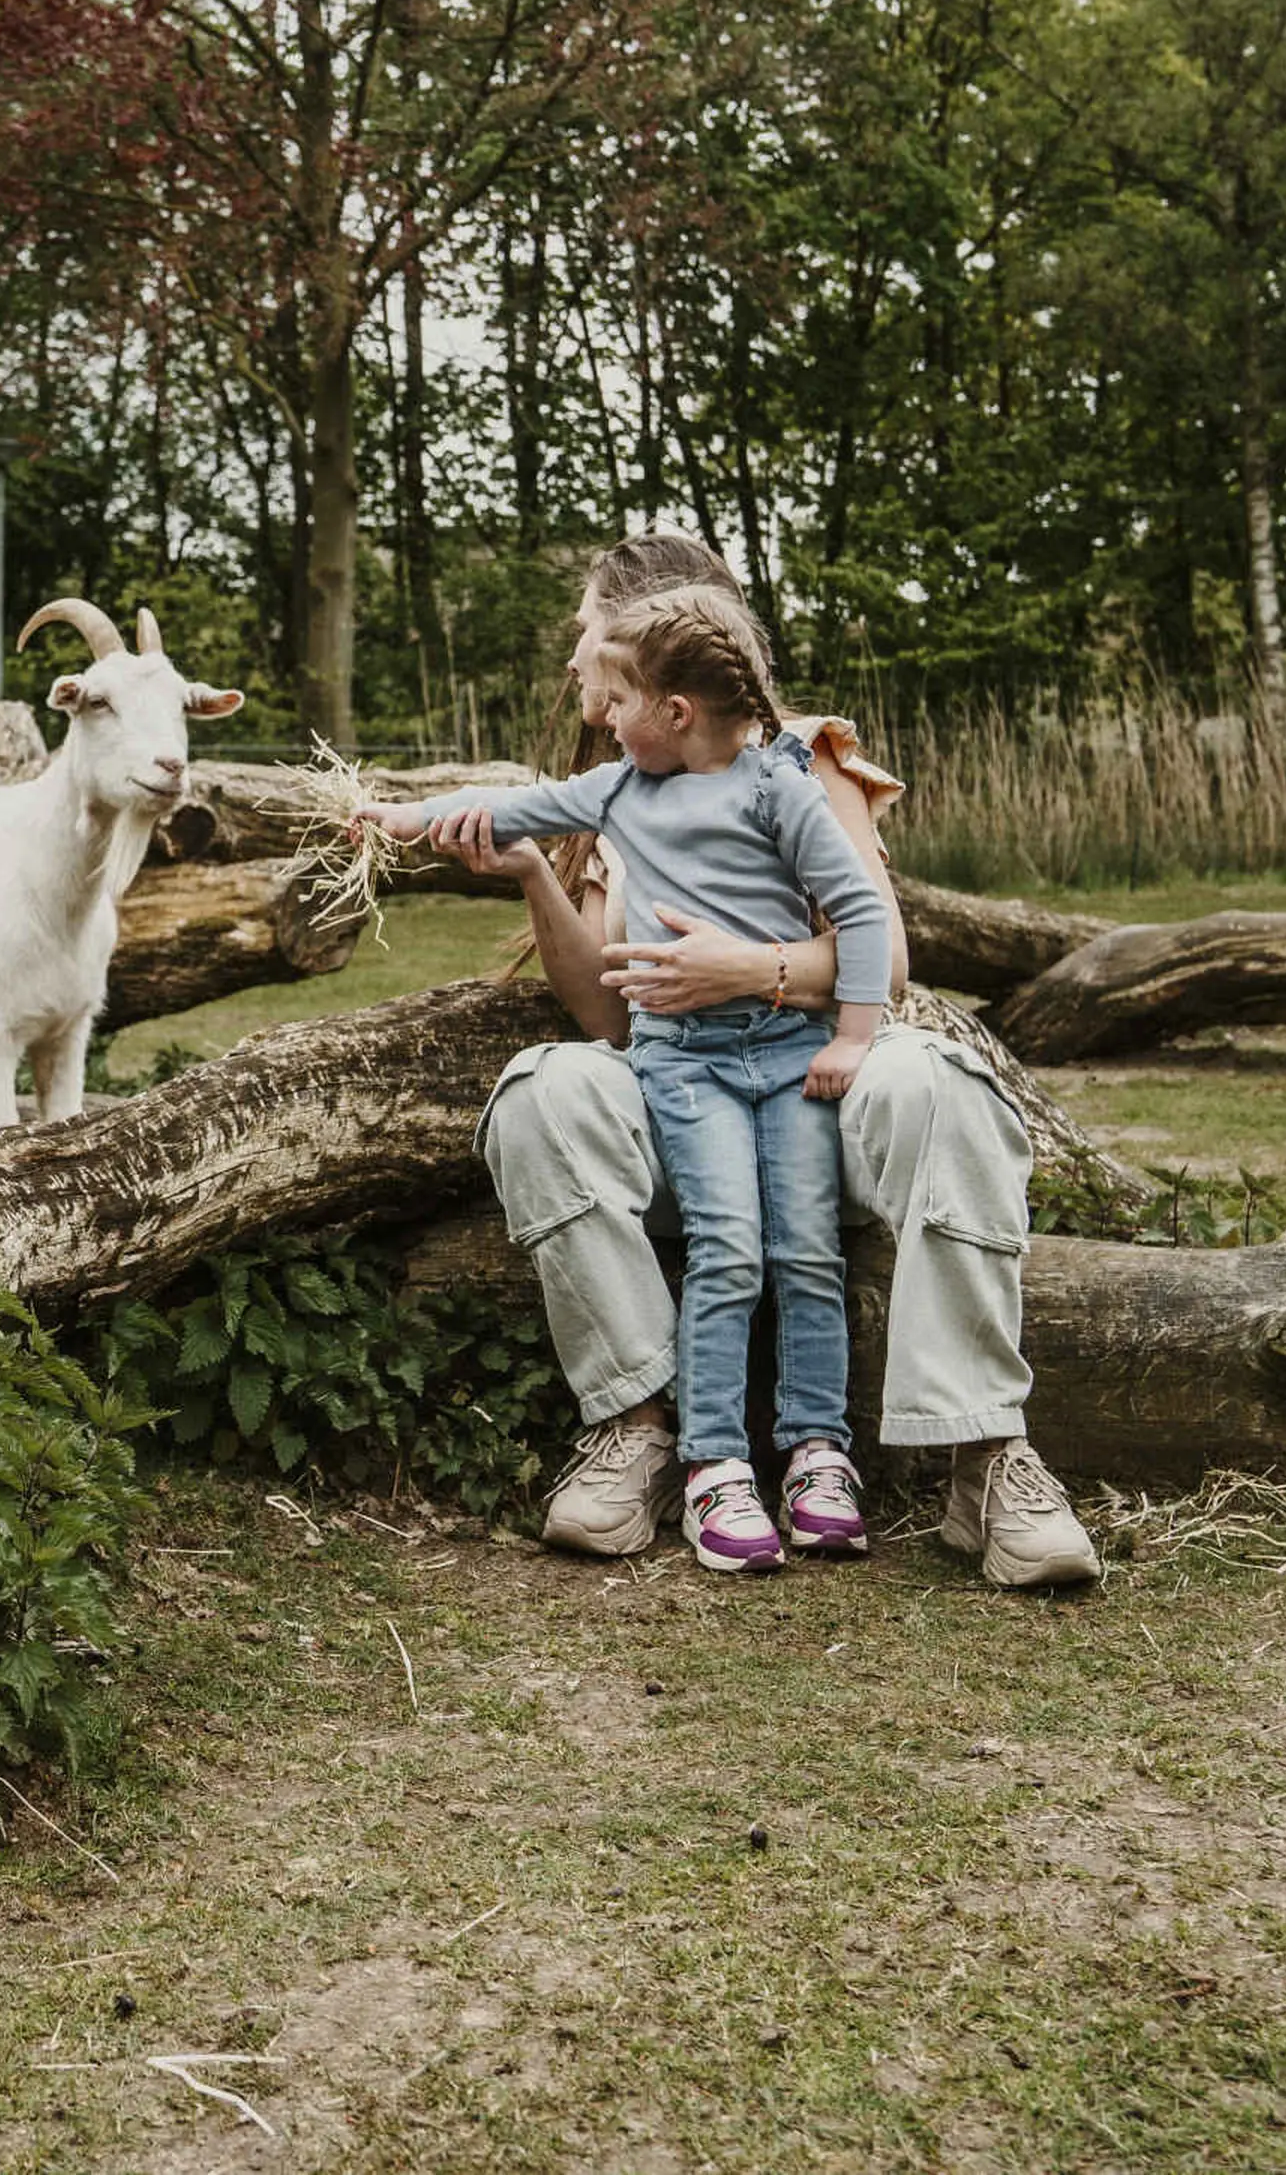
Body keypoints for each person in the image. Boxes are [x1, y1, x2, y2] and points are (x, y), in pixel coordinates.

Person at [446, 531, 1103, 1590]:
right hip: (687, 1104)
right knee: (545, 1090)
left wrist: (749, 969)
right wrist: (532, 874)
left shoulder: (797, 755)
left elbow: (881, 960)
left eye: (584, 632)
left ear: (648, 646)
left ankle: (987, 1454)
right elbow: (607, 1014)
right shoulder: (621, 779)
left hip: (812, 1098)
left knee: (937, 1079)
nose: (572, 658)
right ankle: (640, 1431)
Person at [359, 587, 894, 1573]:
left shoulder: (782, 787)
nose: (603, 719)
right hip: (685, 1064)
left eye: (619, 704)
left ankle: (820, 1455)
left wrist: (853, 1040)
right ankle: (714, 1465)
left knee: (807, 1248)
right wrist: (397, 813)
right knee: (730, 1245)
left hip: (786, 1055)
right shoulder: (620, 795)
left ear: (676, 713)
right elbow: (505, 809)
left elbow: (861, 914)